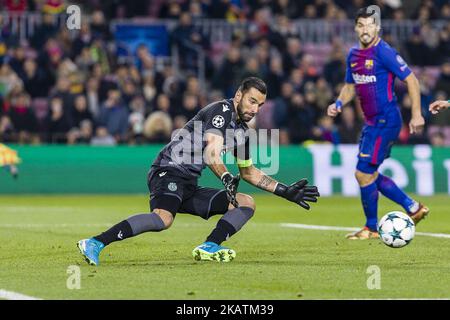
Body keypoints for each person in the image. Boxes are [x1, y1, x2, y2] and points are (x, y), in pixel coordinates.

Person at [77, 77, 320, 265]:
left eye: (260, 105)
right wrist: (225, 176)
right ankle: (95, 242)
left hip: (189, 183)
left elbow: (250, 173)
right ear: (238, 96)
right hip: (169, 169)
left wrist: (284, 191)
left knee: (245, 203)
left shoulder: (242, 133)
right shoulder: (222, 111)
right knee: (163, 218)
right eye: (252, 101)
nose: (256, 109)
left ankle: (210, 246)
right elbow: (211, 152)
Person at [327, 7, 429, 240]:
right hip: (372, 123)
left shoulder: (384, 52)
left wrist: (416, 114)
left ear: (377, 28)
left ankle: (372, 227)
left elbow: (412, 80)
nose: (365, 29)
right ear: (355, 28)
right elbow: (350, 86)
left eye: (369, 25)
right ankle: (413, 208)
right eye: (360, 25)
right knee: (367, 173)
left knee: (363, 173)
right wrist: (339, 103)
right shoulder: (353, 55)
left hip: (386, 120)